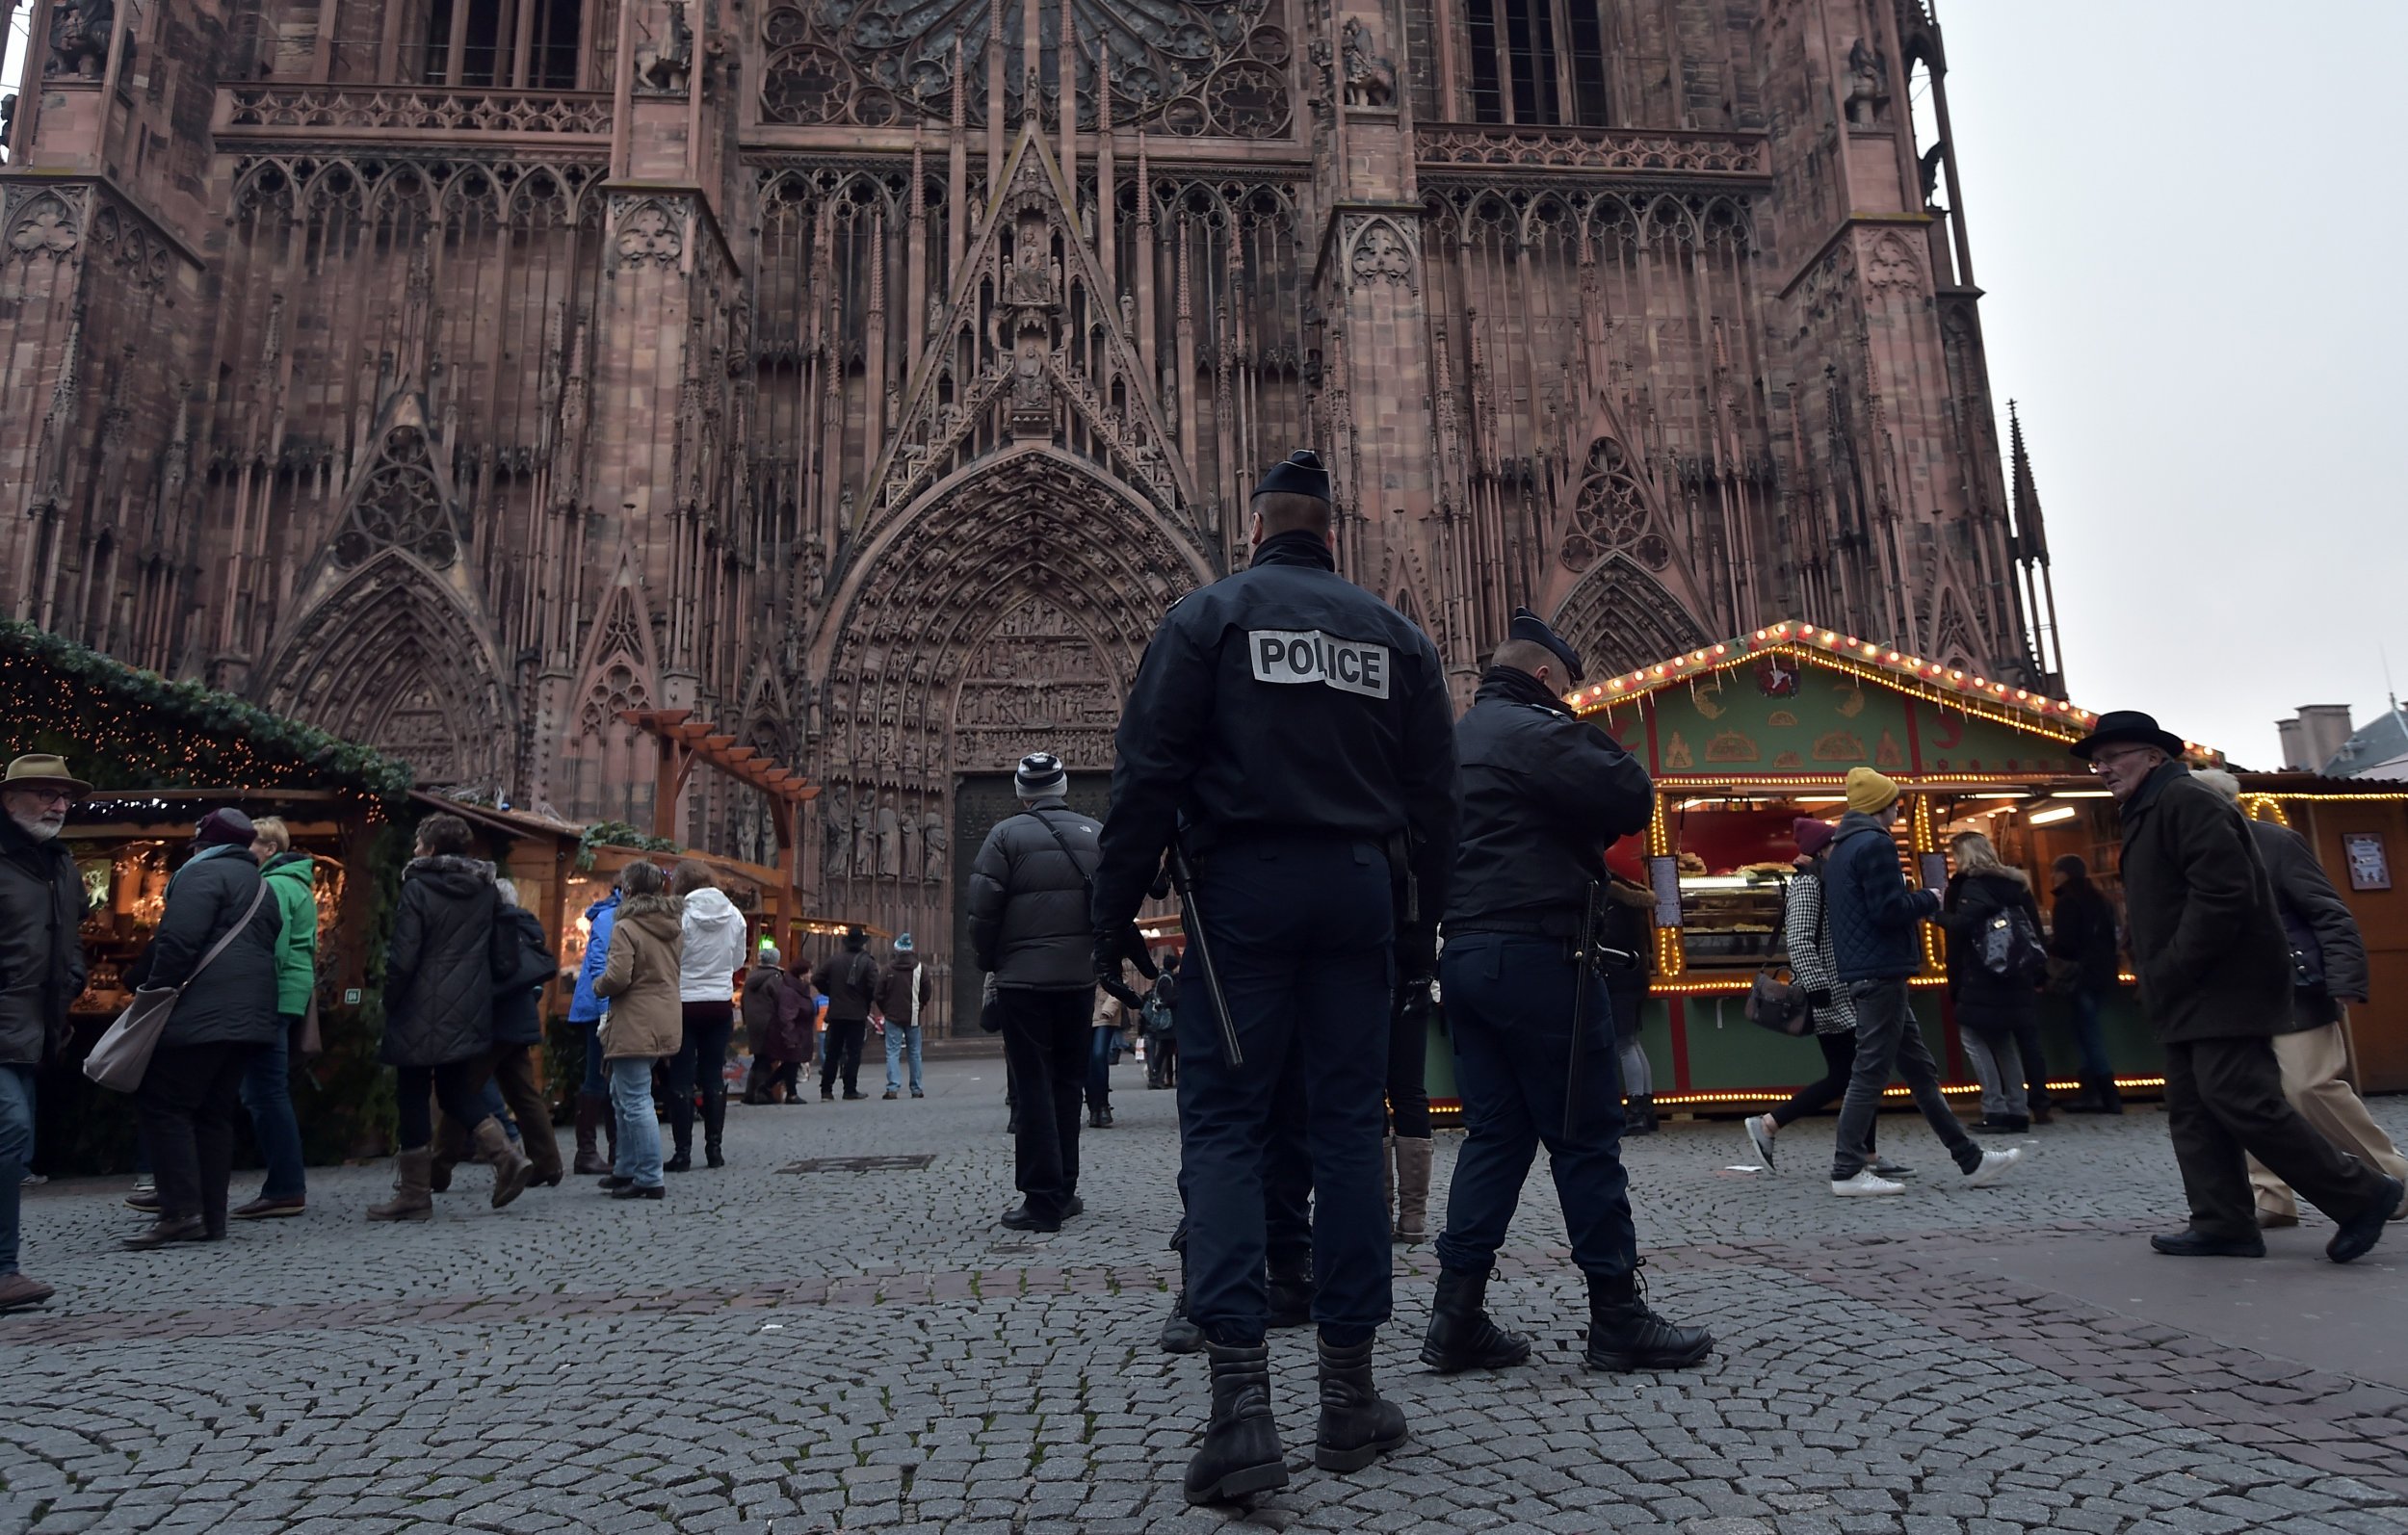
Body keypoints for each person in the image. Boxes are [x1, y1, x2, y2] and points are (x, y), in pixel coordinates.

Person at [1090, 449, 1458, 1506]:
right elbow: (1438, 806)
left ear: (1251, 531)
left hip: (1239, 898)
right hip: (1356, 896)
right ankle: (1348, 1398)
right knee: (1346, 1130)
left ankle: (1241, 1409)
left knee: (1225, 1129)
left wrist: (1110, 914)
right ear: (1332, 535)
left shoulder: (1207, 619)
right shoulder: (1397, 637)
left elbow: (1147, 775)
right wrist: (1422, 932)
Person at [1417, 609, 1710, 1382]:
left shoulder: (1447, 743)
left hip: (1467, 957)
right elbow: (1629, 792)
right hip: (1540, 955)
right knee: (1584, 1135)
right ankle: (1617, 1316)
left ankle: (1455, 1318)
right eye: (1568, 688)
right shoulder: (1535, 728)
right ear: (1547, 678)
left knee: (1496, 1138)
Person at [2080, 711, 2399, 1262]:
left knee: (2240, 1099)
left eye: (2113, 756)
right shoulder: (2148, 807)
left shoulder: (2184, 800)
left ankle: (2364, 1193)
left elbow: (2224, 893)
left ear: (2154, 756)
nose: (2102, 768)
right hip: (2188, 989)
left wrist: (2176, 963)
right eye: (2097, 761)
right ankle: (2222, 1220)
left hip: (2220, 986)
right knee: (2194, 1107)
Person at [2189, 769, 2408, 1229]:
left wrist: (2344, 977)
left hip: (2296, 986)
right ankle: (2271, 1195)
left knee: (2309, 1087)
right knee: (2251, 1093)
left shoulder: (2275, 843)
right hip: (2229, 994)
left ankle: (2394, 1176)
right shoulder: (2187, 855)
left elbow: (2329, 912)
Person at [1824, 768, 2021, 1197]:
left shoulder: (1840, 848)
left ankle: (1970, 1159)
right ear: (1883, 805)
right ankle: (1846, 1170)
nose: (1898, 809)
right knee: (1870, 1070)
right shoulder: (1876, 844)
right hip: (1882, 969)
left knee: (1919, 1072)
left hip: (1865, 968)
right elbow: (1886, 910)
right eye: (1895, 802)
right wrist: (1927, 898)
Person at [122, 808, 285, 1248]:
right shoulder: (262, 886)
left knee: (164, 1105)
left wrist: (152, 992)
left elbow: (177, 942)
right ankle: (212, 1218)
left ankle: (180, 1213)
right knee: (214, 1114)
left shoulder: (201, 876)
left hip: (201, 1014)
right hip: (251, 1018)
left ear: (202, 845)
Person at [368, 812, 532, 1222]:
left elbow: (404, 957)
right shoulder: (485, 889)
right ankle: (507, 1156)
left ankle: (414, 1194)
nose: (415, 849)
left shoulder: (418, 887)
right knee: (458, 1090)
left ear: (432, 848)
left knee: (412, 1094)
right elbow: (503, 958)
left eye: (420, 843)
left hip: (419, 1005)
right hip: (469, 1005)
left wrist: (391, 999)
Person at [969, 752, 1105, 1233]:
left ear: (1022, 792)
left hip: (1023, 982)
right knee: (1069, 1083)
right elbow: (1114, 900)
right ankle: (1064, 1190)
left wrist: (991, 962)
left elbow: (982, 910)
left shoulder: (1004, 835)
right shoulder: (1094, 834)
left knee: (1032, 1088)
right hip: (1077, 979)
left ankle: (1042, 1201)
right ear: (1064, 786)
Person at [1741, 818, 1890, 1176]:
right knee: (1852, 1075)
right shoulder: (1808, 884)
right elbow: (1801, 939)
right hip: (1829, 993)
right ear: (1823, 849)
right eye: (1835, 845)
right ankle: (1769, 1124)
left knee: (1857, 1073)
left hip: (1843, 989)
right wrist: (1817, 985)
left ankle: (1866, 1153)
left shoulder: (1827, 880)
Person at [0, 754, 90, 1309]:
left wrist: (74, 976)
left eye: (64, 796)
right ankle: (4, 1270)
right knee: (9, 1133)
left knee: (17, 1143)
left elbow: (70, 936)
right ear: (9, 800)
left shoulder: (59, 864)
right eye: (45, 794)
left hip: (32, 1031)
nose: (59, 806)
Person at [432, 878, 565, 1191]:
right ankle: (548, 1163)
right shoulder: (526, 924)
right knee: (524, 1094)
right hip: (519, 1022)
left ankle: (438, 1167)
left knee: (460, 1092)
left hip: (490, 1023)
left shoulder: (488, 927)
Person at [230, 817, 315, 1220]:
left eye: (250, 844)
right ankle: (285, 1186)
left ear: (268, 849)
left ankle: (284, 1187)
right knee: (266, 1091)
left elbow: (273, 945)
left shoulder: (277, 885)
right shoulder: (294, 882)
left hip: (274, 995)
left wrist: (252, 990)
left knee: (265, 1092)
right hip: (286, 995)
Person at [1937, 831, 2046, 1134]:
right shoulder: (2016, 884)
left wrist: (1934, 914)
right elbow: (2034, 930)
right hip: (2017, 974)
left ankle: (1994, 1107)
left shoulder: (1972, 886)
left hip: (1983, 974)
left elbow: (1962, 927)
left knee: (1973, 1038)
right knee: (2003, 1042)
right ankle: (2018, 1108)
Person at [591, 860, 677, 1198]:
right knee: (622, 1094)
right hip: (663, 1016)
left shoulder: (626, 926)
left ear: (627, 890)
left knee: (636, 1099)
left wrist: (598, 986)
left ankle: (649, 1176)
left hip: (635, 1018)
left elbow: (617, 977)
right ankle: (626, 1167)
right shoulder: (671, 924)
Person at [667, 860, 746, 1170]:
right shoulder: (734, 915)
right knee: (714, 1073)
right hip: (718, 1001)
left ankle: (682, 1153)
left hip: (684, 1001)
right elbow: (738, 960)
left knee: (682, 1076)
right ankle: (714, 1150)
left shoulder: (679, 915)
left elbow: (671, 957)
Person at [2048, 853, 2124, 1114]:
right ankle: (2099, 1092)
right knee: (2087, 1030)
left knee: (2087, 1033)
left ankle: (2102, 1092)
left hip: (2080, 975)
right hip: (2103, 973)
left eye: (2054, 871)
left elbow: (2066, 944)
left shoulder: (2066, 901)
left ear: (2064, 874)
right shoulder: (2101, 899)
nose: (2051, 876)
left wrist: (2048, 948)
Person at [563, 879, 623, 1172]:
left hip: (609, 1006)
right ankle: (587, 1152)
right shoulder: (610, 916)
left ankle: (615, 1152)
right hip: (601, 1007)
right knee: (598, 1076)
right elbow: (600, 965)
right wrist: (604, 1010)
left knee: (610, 1077)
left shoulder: (618, 913)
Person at [1601, 875, 1655, 1135]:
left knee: (1623, 1044)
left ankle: (1636, 1112)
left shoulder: (1610, 902)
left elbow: (1606, 941)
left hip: (1619, 979)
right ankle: (1645, 1106)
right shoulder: (1630, 902)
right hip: (1636, 977)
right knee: (1632, 1042)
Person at [817, 927, 879, 1101]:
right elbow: (874, 986)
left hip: (836, 1013)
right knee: (854, 1052)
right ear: (862, 943)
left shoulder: (834, 960)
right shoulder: (868, 962)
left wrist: (831, 992)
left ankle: (826, 1090)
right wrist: (864, 998)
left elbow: (817, 979)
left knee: (832, 1052)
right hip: (857, 1014)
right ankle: (849, 1089)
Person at [877, 933, 933, 1100]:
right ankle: (916, 1088)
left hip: (892, 1016)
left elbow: (878, 993)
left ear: (896, 950)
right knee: (915, 1053)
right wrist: (920, 1006)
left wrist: (886, 1009)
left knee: (892, 1052)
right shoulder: (920, 968)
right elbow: (927, 992)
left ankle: (893, 1087)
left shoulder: (887, 969)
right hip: (913, 1015)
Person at [740, 944, 794, 1105]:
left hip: (753, 1022)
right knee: (767, 1058)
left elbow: (743, 1000)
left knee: (759, 1057)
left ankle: (750, 1093)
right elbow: (781, 1001)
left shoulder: (752, 977)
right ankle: (761, 1093)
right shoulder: (775, 978)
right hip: (769, 1022)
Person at [1088, 961, 1132, 1128]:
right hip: (1082, 1009)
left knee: (1099, 1055)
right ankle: (1094, 1107)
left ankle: (1103, 1105)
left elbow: (1121, 981)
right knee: (1086, 1060)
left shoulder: (1109, 945)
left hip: (1104, 1011)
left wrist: (1110, 1008)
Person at [1141, 952, 1181, 1090]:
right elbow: (1169, 999)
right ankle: (1157, 1077)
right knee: (1165, 1050)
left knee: (1166, 1050)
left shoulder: (1163, 977)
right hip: (1167, 1021)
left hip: (1166, 1022)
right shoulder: (1166, 979)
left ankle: (1161, 1077)